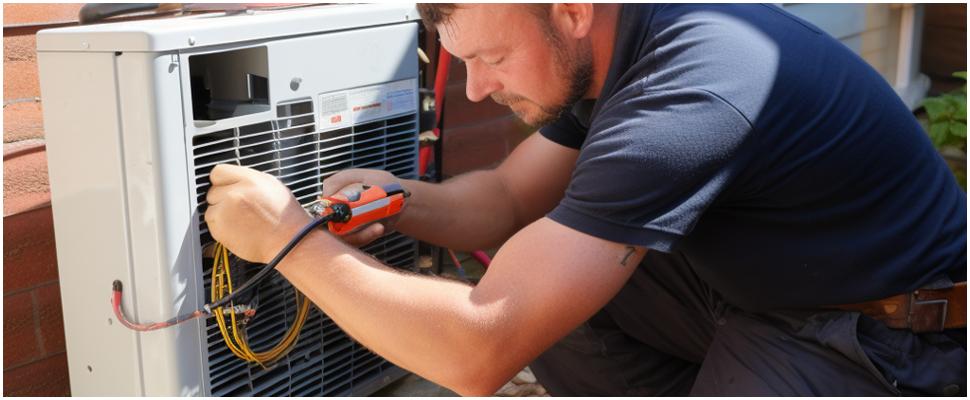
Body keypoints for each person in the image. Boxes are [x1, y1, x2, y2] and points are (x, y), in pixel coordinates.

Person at [204, 4, 967, 396]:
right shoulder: (620, 42)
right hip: (767, 287)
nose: (477, 88)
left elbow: (476, 353)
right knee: (556, 290)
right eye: (464, 62)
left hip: (882, 335)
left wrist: (287, 237)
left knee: (527, 305)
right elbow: (505, 197)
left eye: (493, 57)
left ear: (570, 10)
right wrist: (397, 199)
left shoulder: (691, 87)